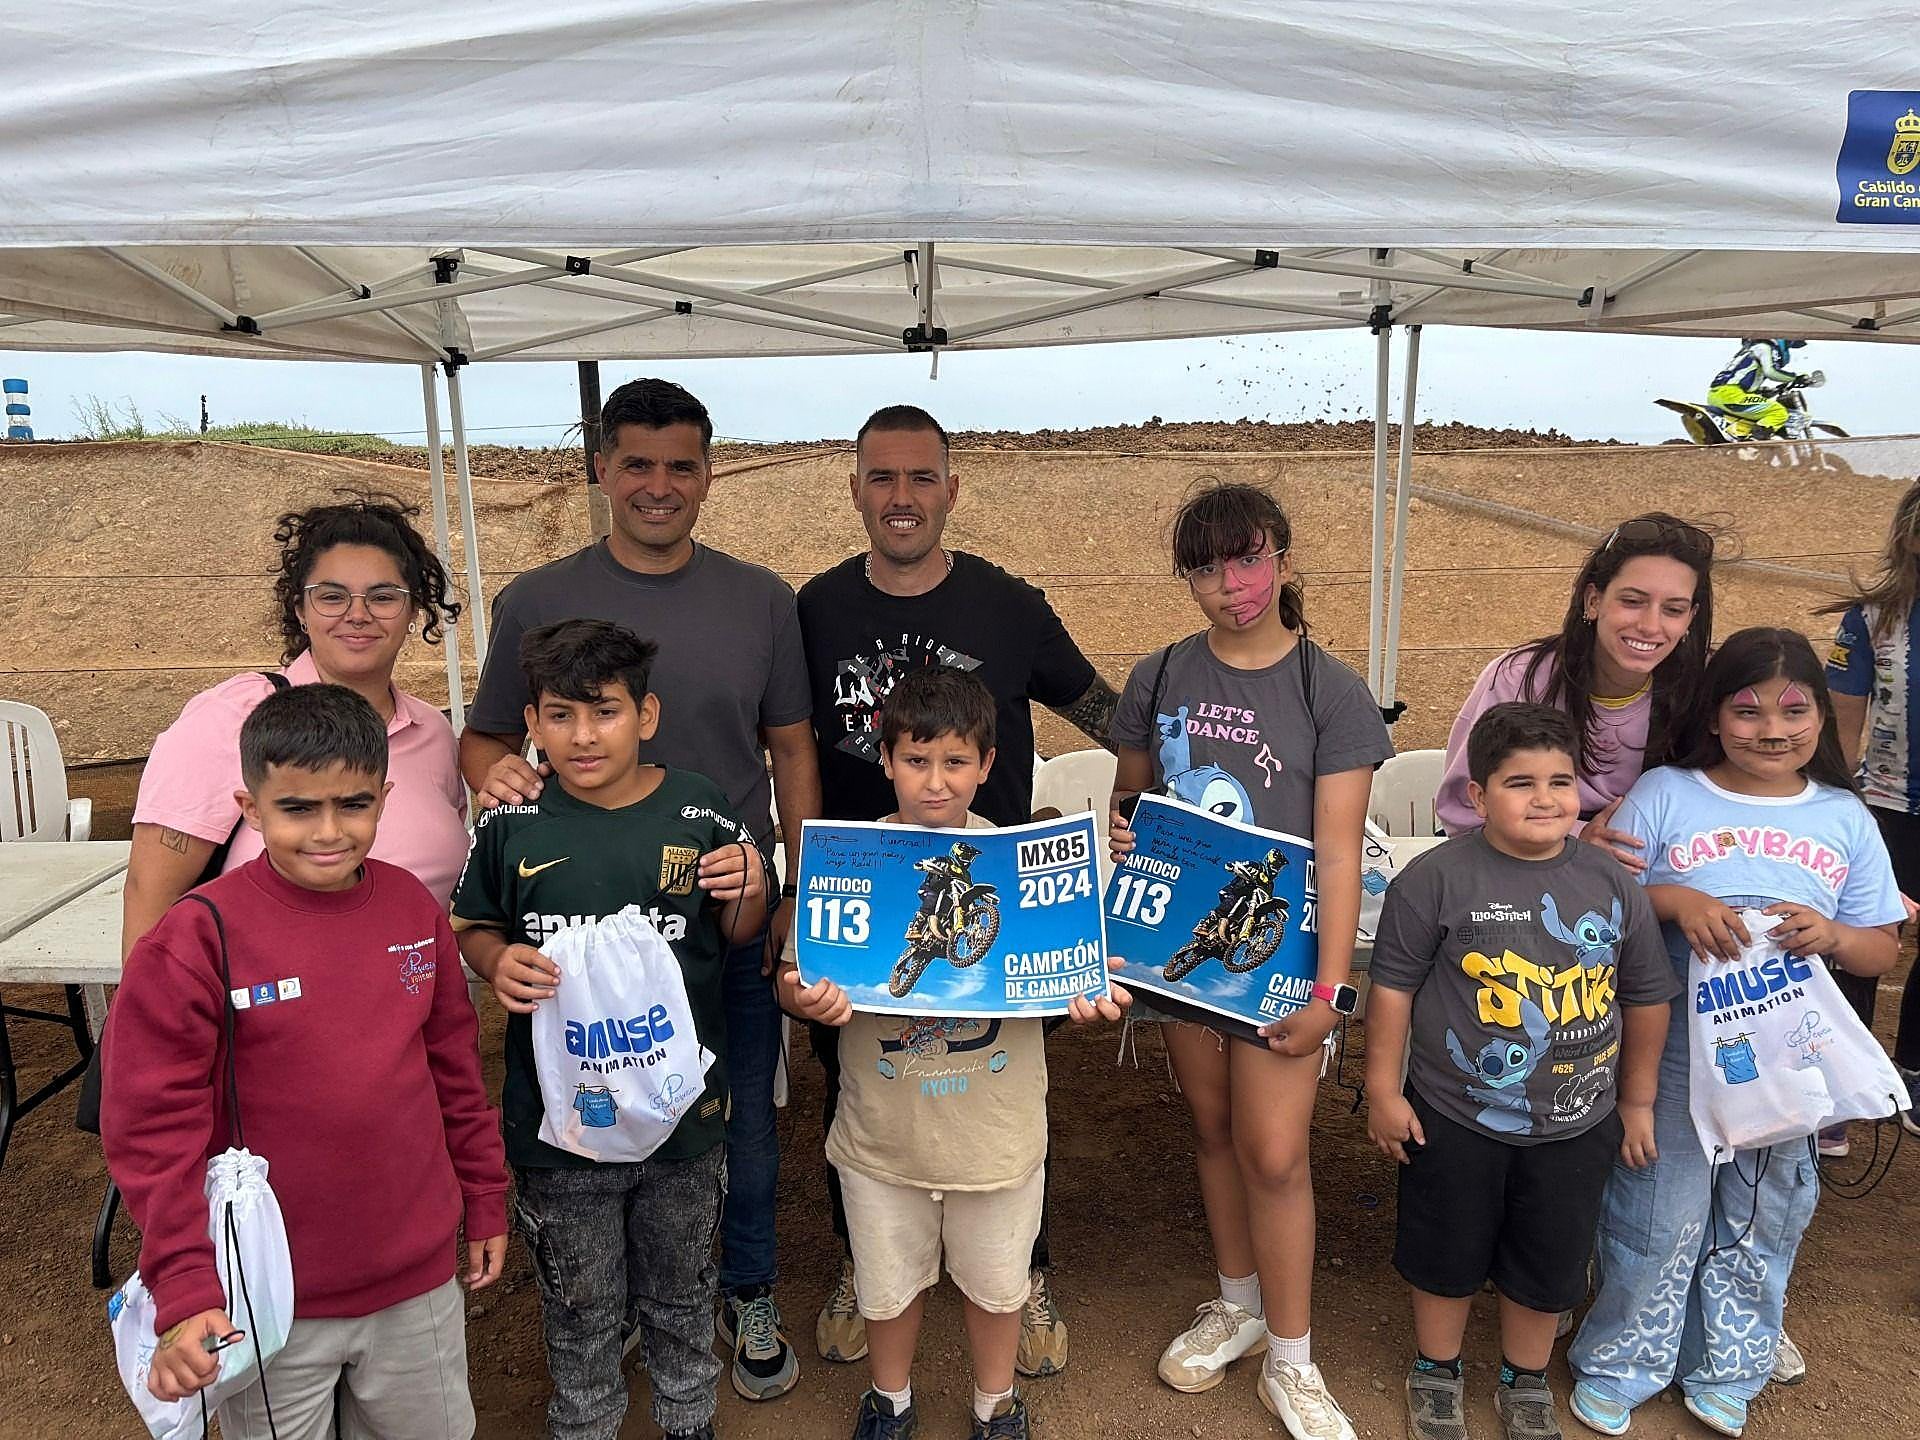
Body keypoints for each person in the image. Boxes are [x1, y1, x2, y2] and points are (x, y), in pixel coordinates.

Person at [458, 378, 817, 1399]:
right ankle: (609, 1305)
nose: (660, 485)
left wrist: (792, 888)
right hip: (574, 925)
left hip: (722, 911)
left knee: (737, 1119)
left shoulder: (762, 600)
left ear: (708, 475)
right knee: (591, 1110)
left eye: (681, 466)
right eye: (638, 464)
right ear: (602, 470)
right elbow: (484, 738)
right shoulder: (536, 598)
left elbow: (791, 749)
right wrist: (498, 776)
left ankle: (744, 1287)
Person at [797, 404, 1119, 1375]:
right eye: (882, 478)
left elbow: (1103, 710)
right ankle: (865, 1262)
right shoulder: (815, 609)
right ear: (855, 490)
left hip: (999, 902)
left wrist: (1158, 797)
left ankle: (1023, 1271)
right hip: (859, 907)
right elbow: (775, 731)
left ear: (951, 489)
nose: (902, 497)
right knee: (856, 1086)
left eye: (921, 477)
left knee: (1003, 1092)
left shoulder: (1009, 606)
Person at [102, 684, 509, 1439]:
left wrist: (484, 1193)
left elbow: (456, 1072)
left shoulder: (413, 911)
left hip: (415, 1281)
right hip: (267, 1293)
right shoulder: (197, 939)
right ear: (250, 808)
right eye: (297, 808)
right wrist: (186, 1286)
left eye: (353, 805)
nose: (328, 831)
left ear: (384, 798)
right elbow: (153, 1130)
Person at [1109, 480, 1394, 1440]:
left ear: (1280, 554)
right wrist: (1119, 832)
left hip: (1284, 960)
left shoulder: (1331, 690)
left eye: (1246, 560)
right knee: (1215, 1128)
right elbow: (1133, 804)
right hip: (1182, 949)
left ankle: (1293, 1360)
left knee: (1275, 1153)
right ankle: (1237, 1305)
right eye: (1205, 569)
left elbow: (1342, 851)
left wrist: (1332, 992)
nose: (1230, 586)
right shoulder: (1159, 675)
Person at [775, 665, 1128, 1440]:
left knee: (1000, 1286)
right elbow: (794, 977)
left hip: (995, 1137)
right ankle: (889, 1400)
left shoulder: (1022, 865)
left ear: (988, 765)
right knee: (886, 1286)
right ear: (886, 759)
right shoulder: (848, 861)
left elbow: (1064, 978)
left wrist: (1086, 994)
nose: (935, 781)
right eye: (916, 759)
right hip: (882, 1137)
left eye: (956, 761)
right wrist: (803, 998)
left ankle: (995, 1405)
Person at [1567, 629, 1903, 1440]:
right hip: (1672, 1049)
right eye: (1748, 711)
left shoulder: (1844, 817)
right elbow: (1598, 897)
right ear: (1714, 715)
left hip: (1789, 1057)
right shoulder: (1666, 794)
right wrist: (1676, 900)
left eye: (1794, 710)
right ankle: (1624, 1358)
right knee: (1658, 1202)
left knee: (1764, 1207)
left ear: (1821, 716)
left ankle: (1729, 1363)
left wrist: (1833, 934)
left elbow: (1880, 947)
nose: (1772, 730)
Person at [453, 619, 767, 1440]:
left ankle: (688, 1418)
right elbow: (473, 922)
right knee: (580, 1302)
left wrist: (751, 886)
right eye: (561, 715)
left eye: (605, 712)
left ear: (646, 715)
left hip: (681, 1119)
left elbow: (741, 931)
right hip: (561, 1128)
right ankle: (585, 1421)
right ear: (532, 722)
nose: (584, 736)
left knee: (682, 1290)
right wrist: (496, 959)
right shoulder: (512, 819)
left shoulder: (699, 808)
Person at [1365, 703, 1675, 1440]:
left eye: (1560, 782)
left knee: (1551, 1257)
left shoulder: (1610, 882)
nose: (1544, 799)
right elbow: (1392, 989)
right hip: (1453, 1115)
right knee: (1445, 1250)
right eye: (1519, 783)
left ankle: (1524, 1377)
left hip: (1578, 1119)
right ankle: (1437, 1368)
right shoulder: (1435, 879)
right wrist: (1381, 1089)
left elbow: (1646, 995)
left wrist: (1636, 1102)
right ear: (1477, 795)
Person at [125, 493, 470, 956]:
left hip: (412, 997)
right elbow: (149, 895)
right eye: (331, 596)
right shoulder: (232, 717)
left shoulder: (432, 733)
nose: (358, 614)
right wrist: (146, 1001)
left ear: (414, 613)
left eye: (384, 597)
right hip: (263, 996)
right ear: (301, 610)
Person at [1436, 515, 1716, 869]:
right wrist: (1576, 843)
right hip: (1526, 868)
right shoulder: (1517, 679)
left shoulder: (1709, 683)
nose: (1650, 626)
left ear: (1691, 617)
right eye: (1632, 601)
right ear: (1593, 601)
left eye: (1673, 610)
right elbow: (1463, 811)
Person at [1821, 476, 1920, 1137]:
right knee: (1859, 945)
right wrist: (1840, 815)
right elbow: (1842, 727)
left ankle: (1913, 1068)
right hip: (1885, 807)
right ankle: (1838, 1092)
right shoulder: (1870, 621)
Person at [1706, 338, 1818, 439]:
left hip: (1718, 395)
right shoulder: (1763, 347)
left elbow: (1741, 378)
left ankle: (1744, 436)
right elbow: (1771, 372)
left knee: (1762, 413)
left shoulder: (1749, 352)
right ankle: (1758, 442)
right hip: (1731, 395)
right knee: (1778, 412)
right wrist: (1795, 378)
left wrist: (1765, 391)